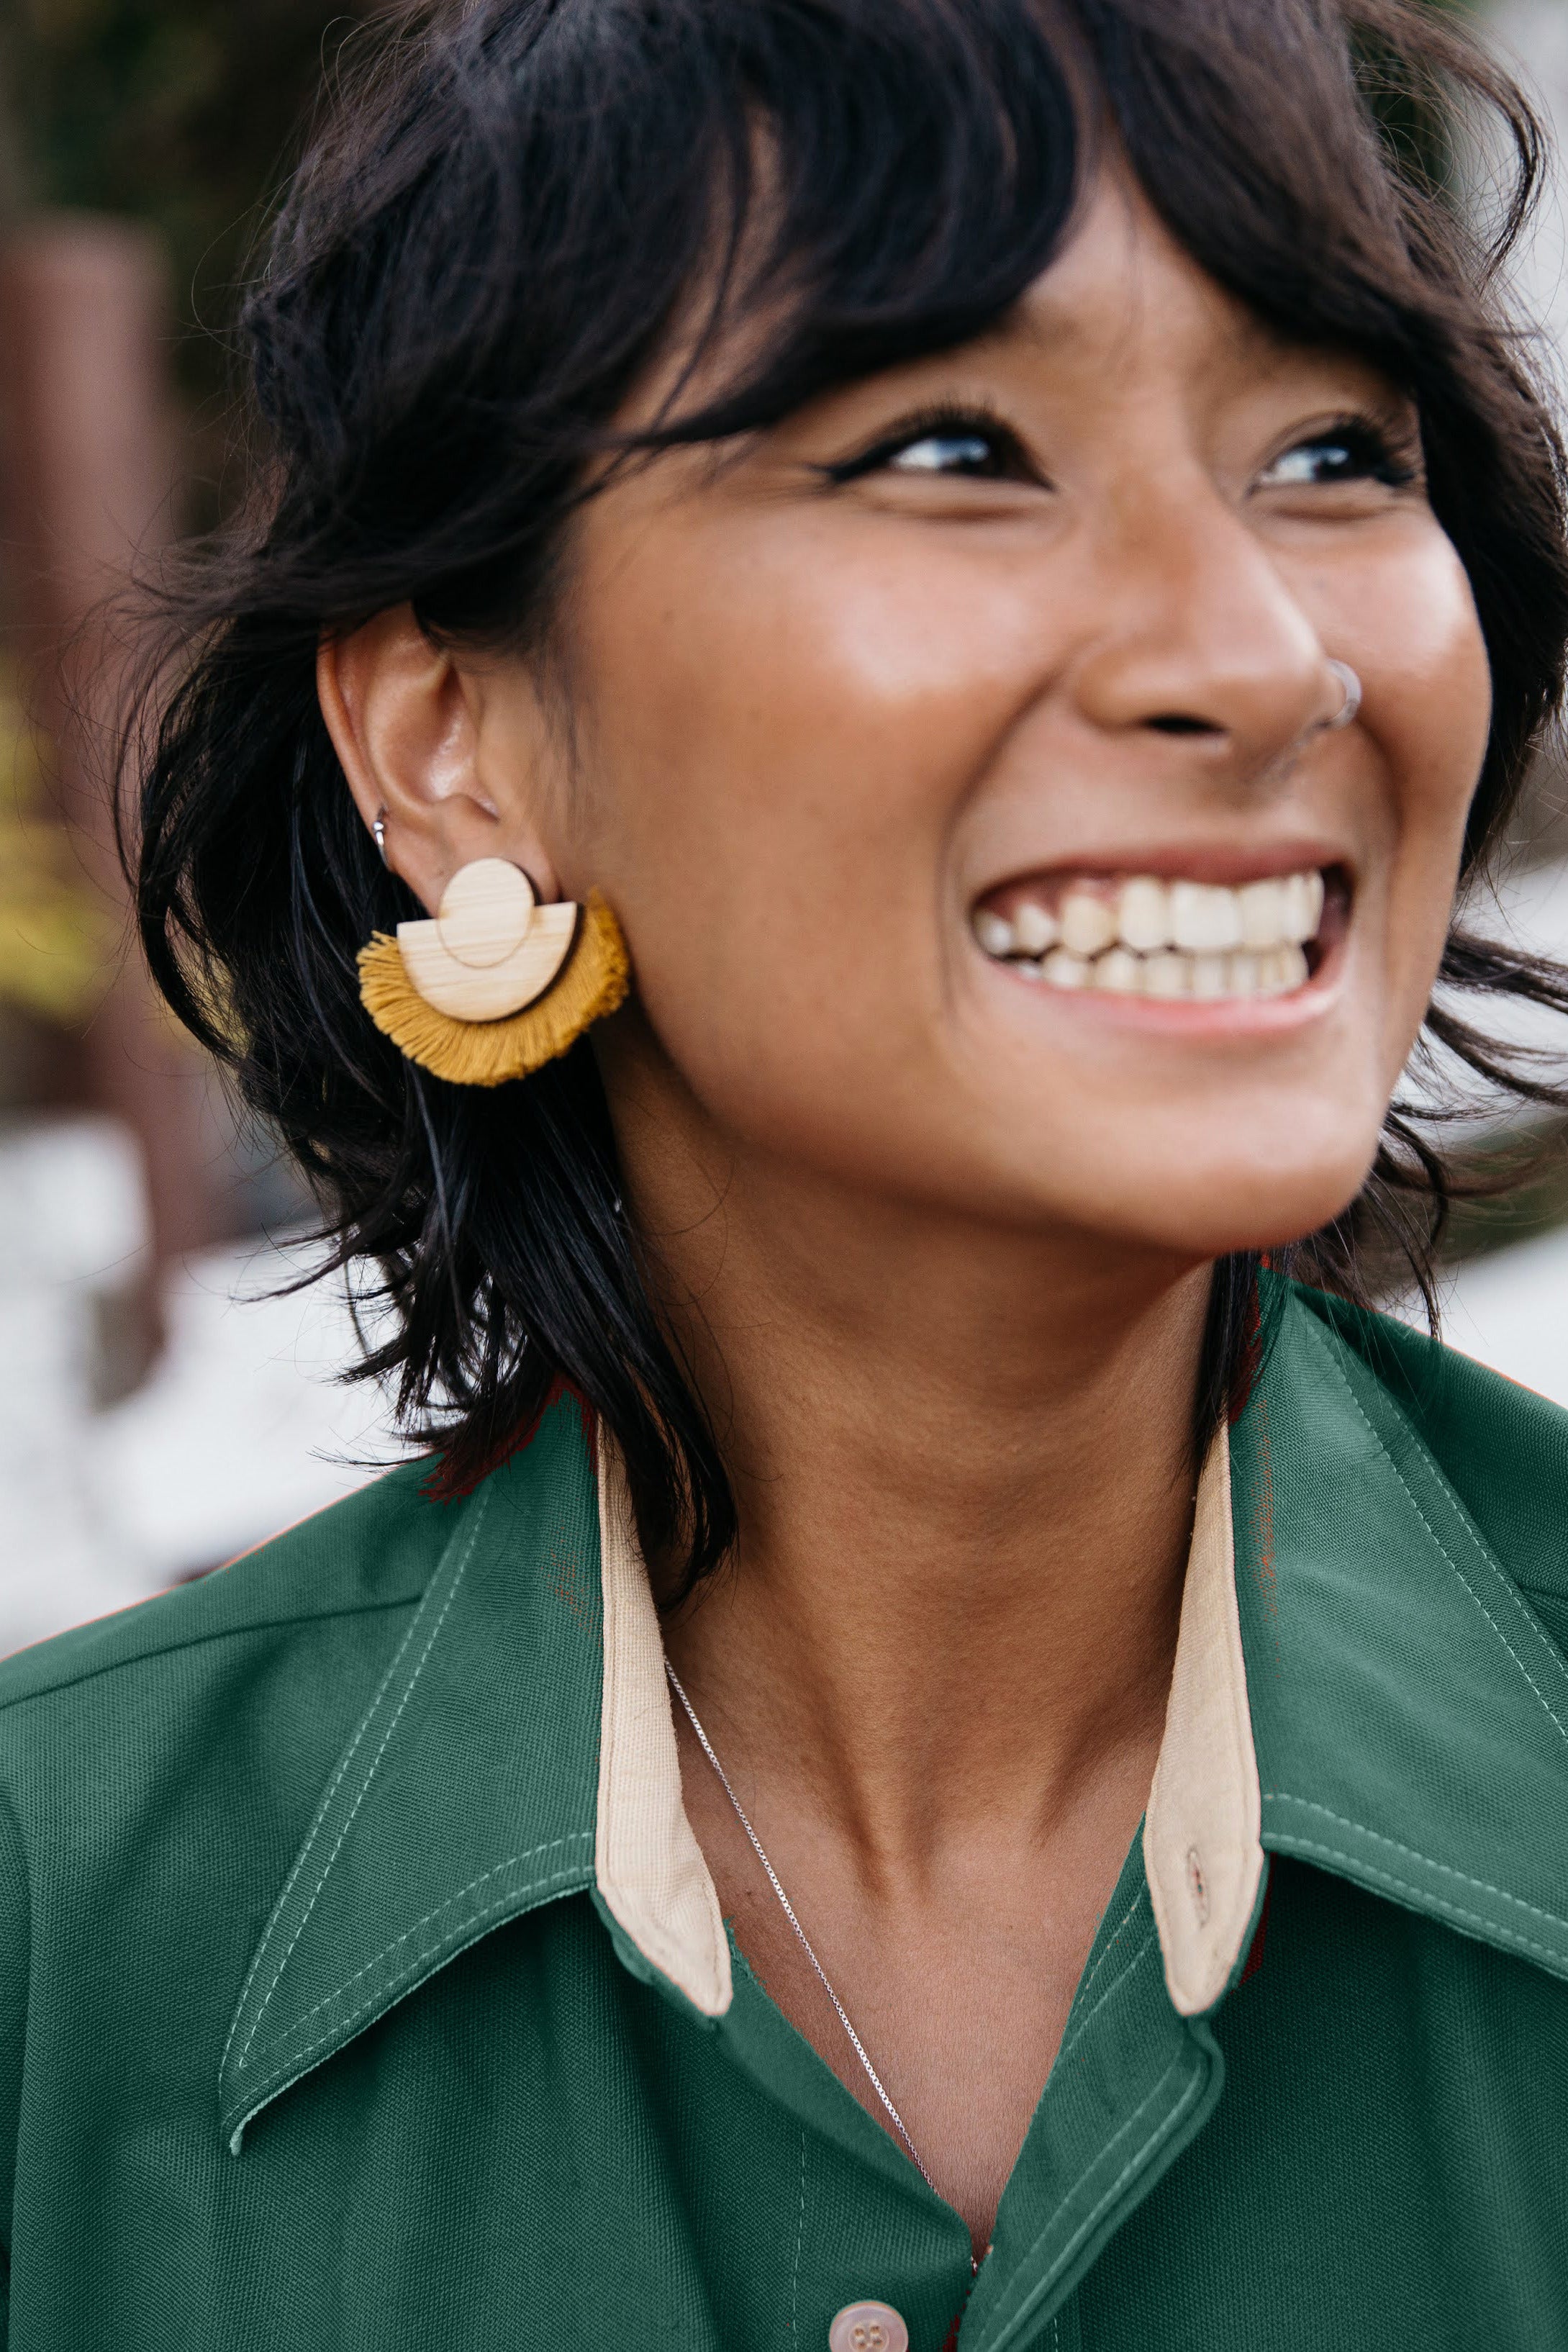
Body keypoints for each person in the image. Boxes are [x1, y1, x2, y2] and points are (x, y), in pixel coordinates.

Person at [6, 0, 1568, 2343]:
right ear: (453, 741)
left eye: (1333, 453)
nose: (1261, 663)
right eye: (955, 447)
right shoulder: (52, 1941)